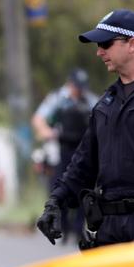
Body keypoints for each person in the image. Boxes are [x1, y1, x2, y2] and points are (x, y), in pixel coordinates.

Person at [35, 9, 134, 248]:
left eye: (106, 44)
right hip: (109, 228)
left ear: (132, 43)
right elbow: (83, 163)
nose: (99, 52)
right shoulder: (105, 103)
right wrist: (56, 202)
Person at [31, 68, 98, 243]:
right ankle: (64, 228)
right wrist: (47, 133)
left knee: (84, 189)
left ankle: (78, 228)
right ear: (70, 84)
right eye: (77, 86)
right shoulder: (58, 99)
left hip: (81, 149)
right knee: (60, 187)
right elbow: (38, 119)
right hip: (59, 150)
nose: (79, 90)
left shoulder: (89, 100)